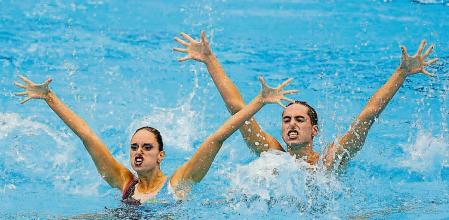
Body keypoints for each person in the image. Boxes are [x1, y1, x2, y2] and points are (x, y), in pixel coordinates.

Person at [13, 74, 297, 204]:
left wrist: (259, 102)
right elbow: (87, 137)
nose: (139, 152)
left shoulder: (178, 184)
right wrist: (50, 98)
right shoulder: (125, 182)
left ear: (161, 155)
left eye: (147, 147)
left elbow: (217, 138)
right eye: (134, 147)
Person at [174, 32, 439, 170]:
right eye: (286, 119)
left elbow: (366, 117)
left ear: (314, 130)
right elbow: (238, 111)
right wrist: (210, 60)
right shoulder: (271, 154)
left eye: (299, 119)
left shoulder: (329, 161)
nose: (291, 124)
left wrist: (401, 73)